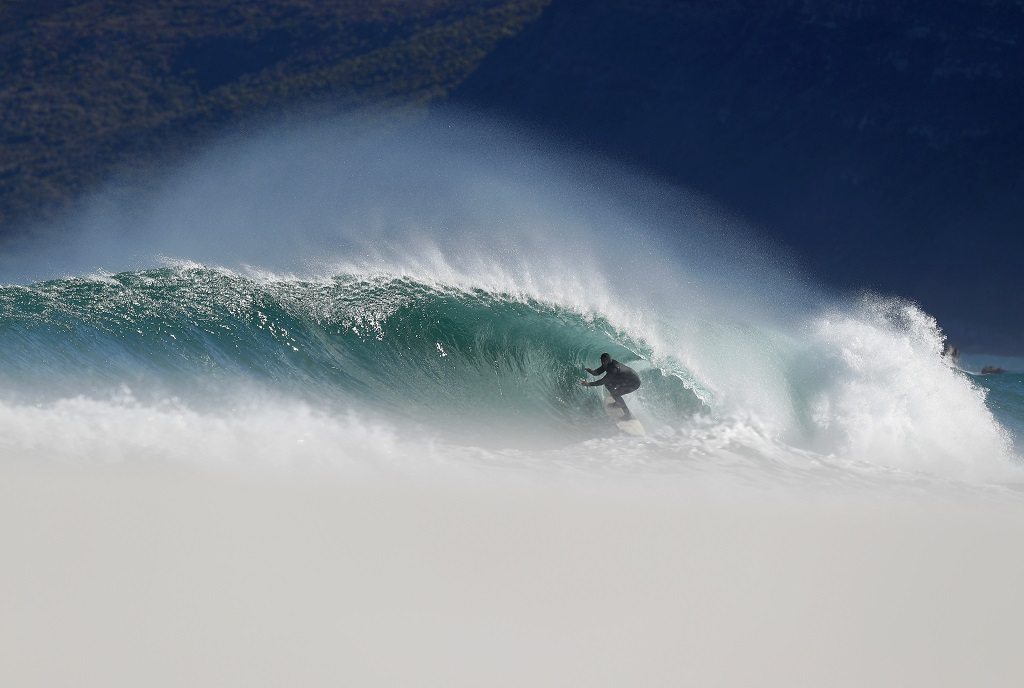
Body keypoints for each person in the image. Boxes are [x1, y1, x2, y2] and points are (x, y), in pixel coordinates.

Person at [581, 353, 641, 420]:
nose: (603, 362)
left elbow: (602, 381)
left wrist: (589, 384)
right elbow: (597, 372)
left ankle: (627, 414)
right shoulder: (607, 364)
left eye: (604, 361)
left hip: (634, 382)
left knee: (615, 393)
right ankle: (618, 402)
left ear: (608, 360)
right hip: (626, 379)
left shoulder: (613, 368)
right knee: (608, 385)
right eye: (602, 361)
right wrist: (591, 371)